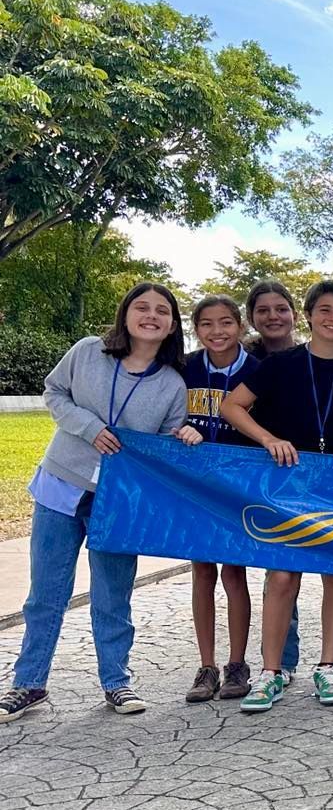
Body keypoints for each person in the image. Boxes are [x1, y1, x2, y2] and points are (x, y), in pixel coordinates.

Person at [0, 283, 189, 723]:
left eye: (162, 311)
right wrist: (89, 427)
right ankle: (28, 682)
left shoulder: (172, 385)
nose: (151, 315)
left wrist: (181, 437)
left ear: (172, 326)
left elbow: (163, 447)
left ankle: (116, 681)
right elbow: (54, 392)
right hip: (61, 487)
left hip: (118, 502)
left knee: (112, 593)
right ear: (125, 314)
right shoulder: (88, 351)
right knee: (46, 593)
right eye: (142, 307)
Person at [220, 280, 333, 713]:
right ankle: (271, 671)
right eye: (324, 310)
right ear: (309, 315)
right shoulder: (279, 365)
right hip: (286, 485)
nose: (332, 318)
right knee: (283, 577)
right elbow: (231, 407)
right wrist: (268, 439)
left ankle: (328, 666)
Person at [176, 294, 260, 703]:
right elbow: (167, 414)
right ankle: (206, 665)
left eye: (226, 322)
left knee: (234, 573)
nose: (217, 331)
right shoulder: (184, 368)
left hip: (236, 486)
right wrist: (181, 427)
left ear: (240, 326)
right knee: (203, 572)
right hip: (195, 485)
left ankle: (237, 664)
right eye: (206, 324)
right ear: (196, 330)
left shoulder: (256, 370)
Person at [246, 280, 299, 359]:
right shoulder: (241, 363)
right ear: (251, 319)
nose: (273, 317)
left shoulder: (312, 360)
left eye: (281, 309)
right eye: (263, 310)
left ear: (294, 316)